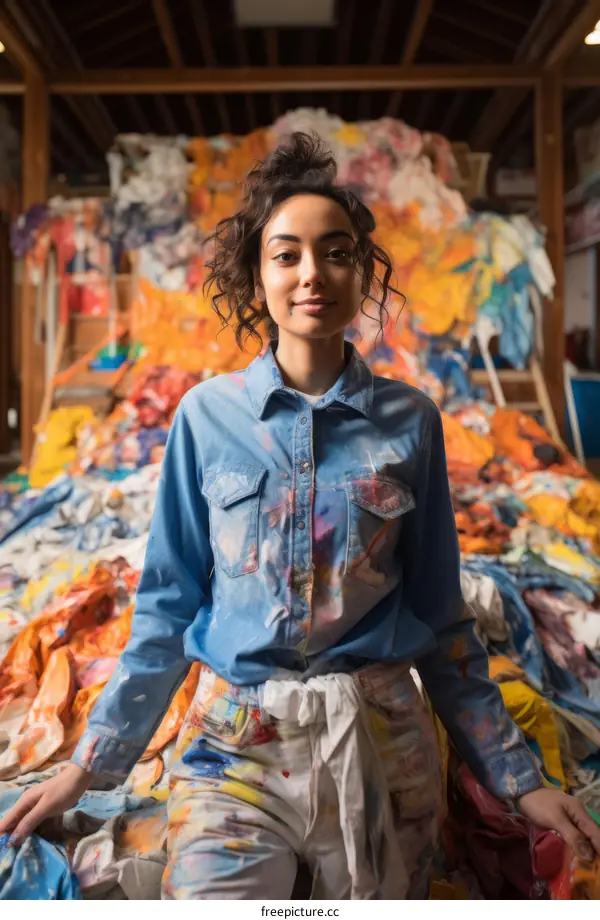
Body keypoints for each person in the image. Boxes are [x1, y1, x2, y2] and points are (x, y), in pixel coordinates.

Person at [2, 133, 599, 899]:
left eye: (336, 252)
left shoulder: (411, 421)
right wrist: (87, 766)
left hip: (382, 742)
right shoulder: (203, 418)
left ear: (362, 272)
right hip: (234, 750)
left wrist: (521, 781)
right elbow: (166, 610)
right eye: (287, 255)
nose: (312, 273)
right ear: (258, 276)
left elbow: (441, 620)